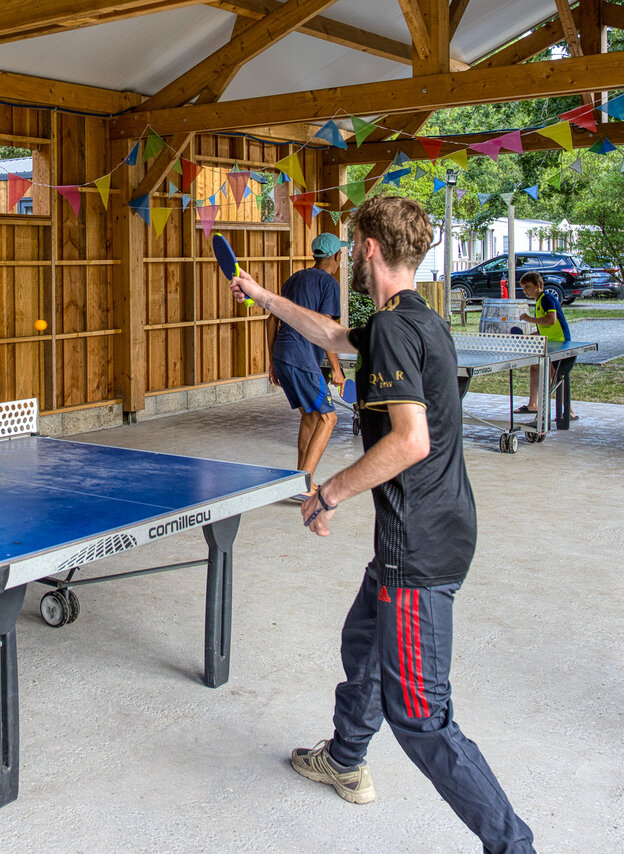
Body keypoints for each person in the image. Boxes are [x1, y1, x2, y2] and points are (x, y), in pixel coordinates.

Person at [229, 195, 535, 853]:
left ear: (366, 248)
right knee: (363, 643)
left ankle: (513, 844)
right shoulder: (416, 319)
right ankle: (344, 758)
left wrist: (328, 493)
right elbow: (334, 335)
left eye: (352, 247)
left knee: (422, 717)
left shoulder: (394, 328)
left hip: (416, 548)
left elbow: (410, 441)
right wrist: (262, 295)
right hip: (441, 527)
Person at [268, 233, 347, 500]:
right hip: (301, 358)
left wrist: (271, 361)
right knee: (329, 417)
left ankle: (299, 478)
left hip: (283, 353)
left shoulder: (294, 279)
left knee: (312, 416)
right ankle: (303, 485)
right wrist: (335, 368)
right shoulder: (329, 283)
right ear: (336, 256)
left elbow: (271, 320)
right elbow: (325, 327)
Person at [516, 271, 576, 421]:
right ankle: (533, 405)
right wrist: (529, 337)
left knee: (556, 376)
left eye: (527, 287)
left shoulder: (547, 298)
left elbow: (551, 320)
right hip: (549, 342)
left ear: (538, 285)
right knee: (535, 367)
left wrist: (529, 319)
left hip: (560, 342)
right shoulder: (539, 300)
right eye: (523, 288)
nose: (525, 291)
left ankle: (570, 411)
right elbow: (545, 327)